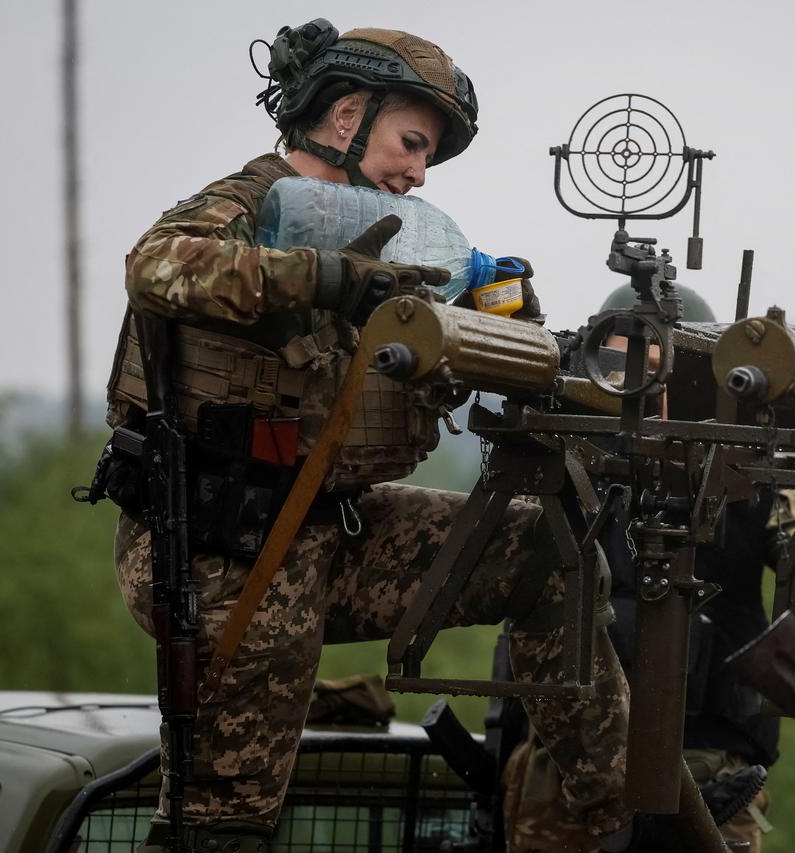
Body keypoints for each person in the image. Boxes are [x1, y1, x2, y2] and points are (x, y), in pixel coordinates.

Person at [102, 20, 629, 851]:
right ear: (346, 116)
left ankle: (612, 811)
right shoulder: (252, 200)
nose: (418, 173)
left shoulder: (397, 235)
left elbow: (437, 358)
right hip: (224, 548)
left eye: (427, 158)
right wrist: (326, 276)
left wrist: (506, 327)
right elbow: (156, 264)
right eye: (411, 144)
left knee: (549, 554)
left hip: (334, 526)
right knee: (223, 823)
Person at [500, 286, 779, 852]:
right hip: (564, 770)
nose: (643, 390)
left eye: (661, 370)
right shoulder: (562, 458)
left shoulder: (754, 470)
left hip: (707, 770)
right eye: (621, 368)